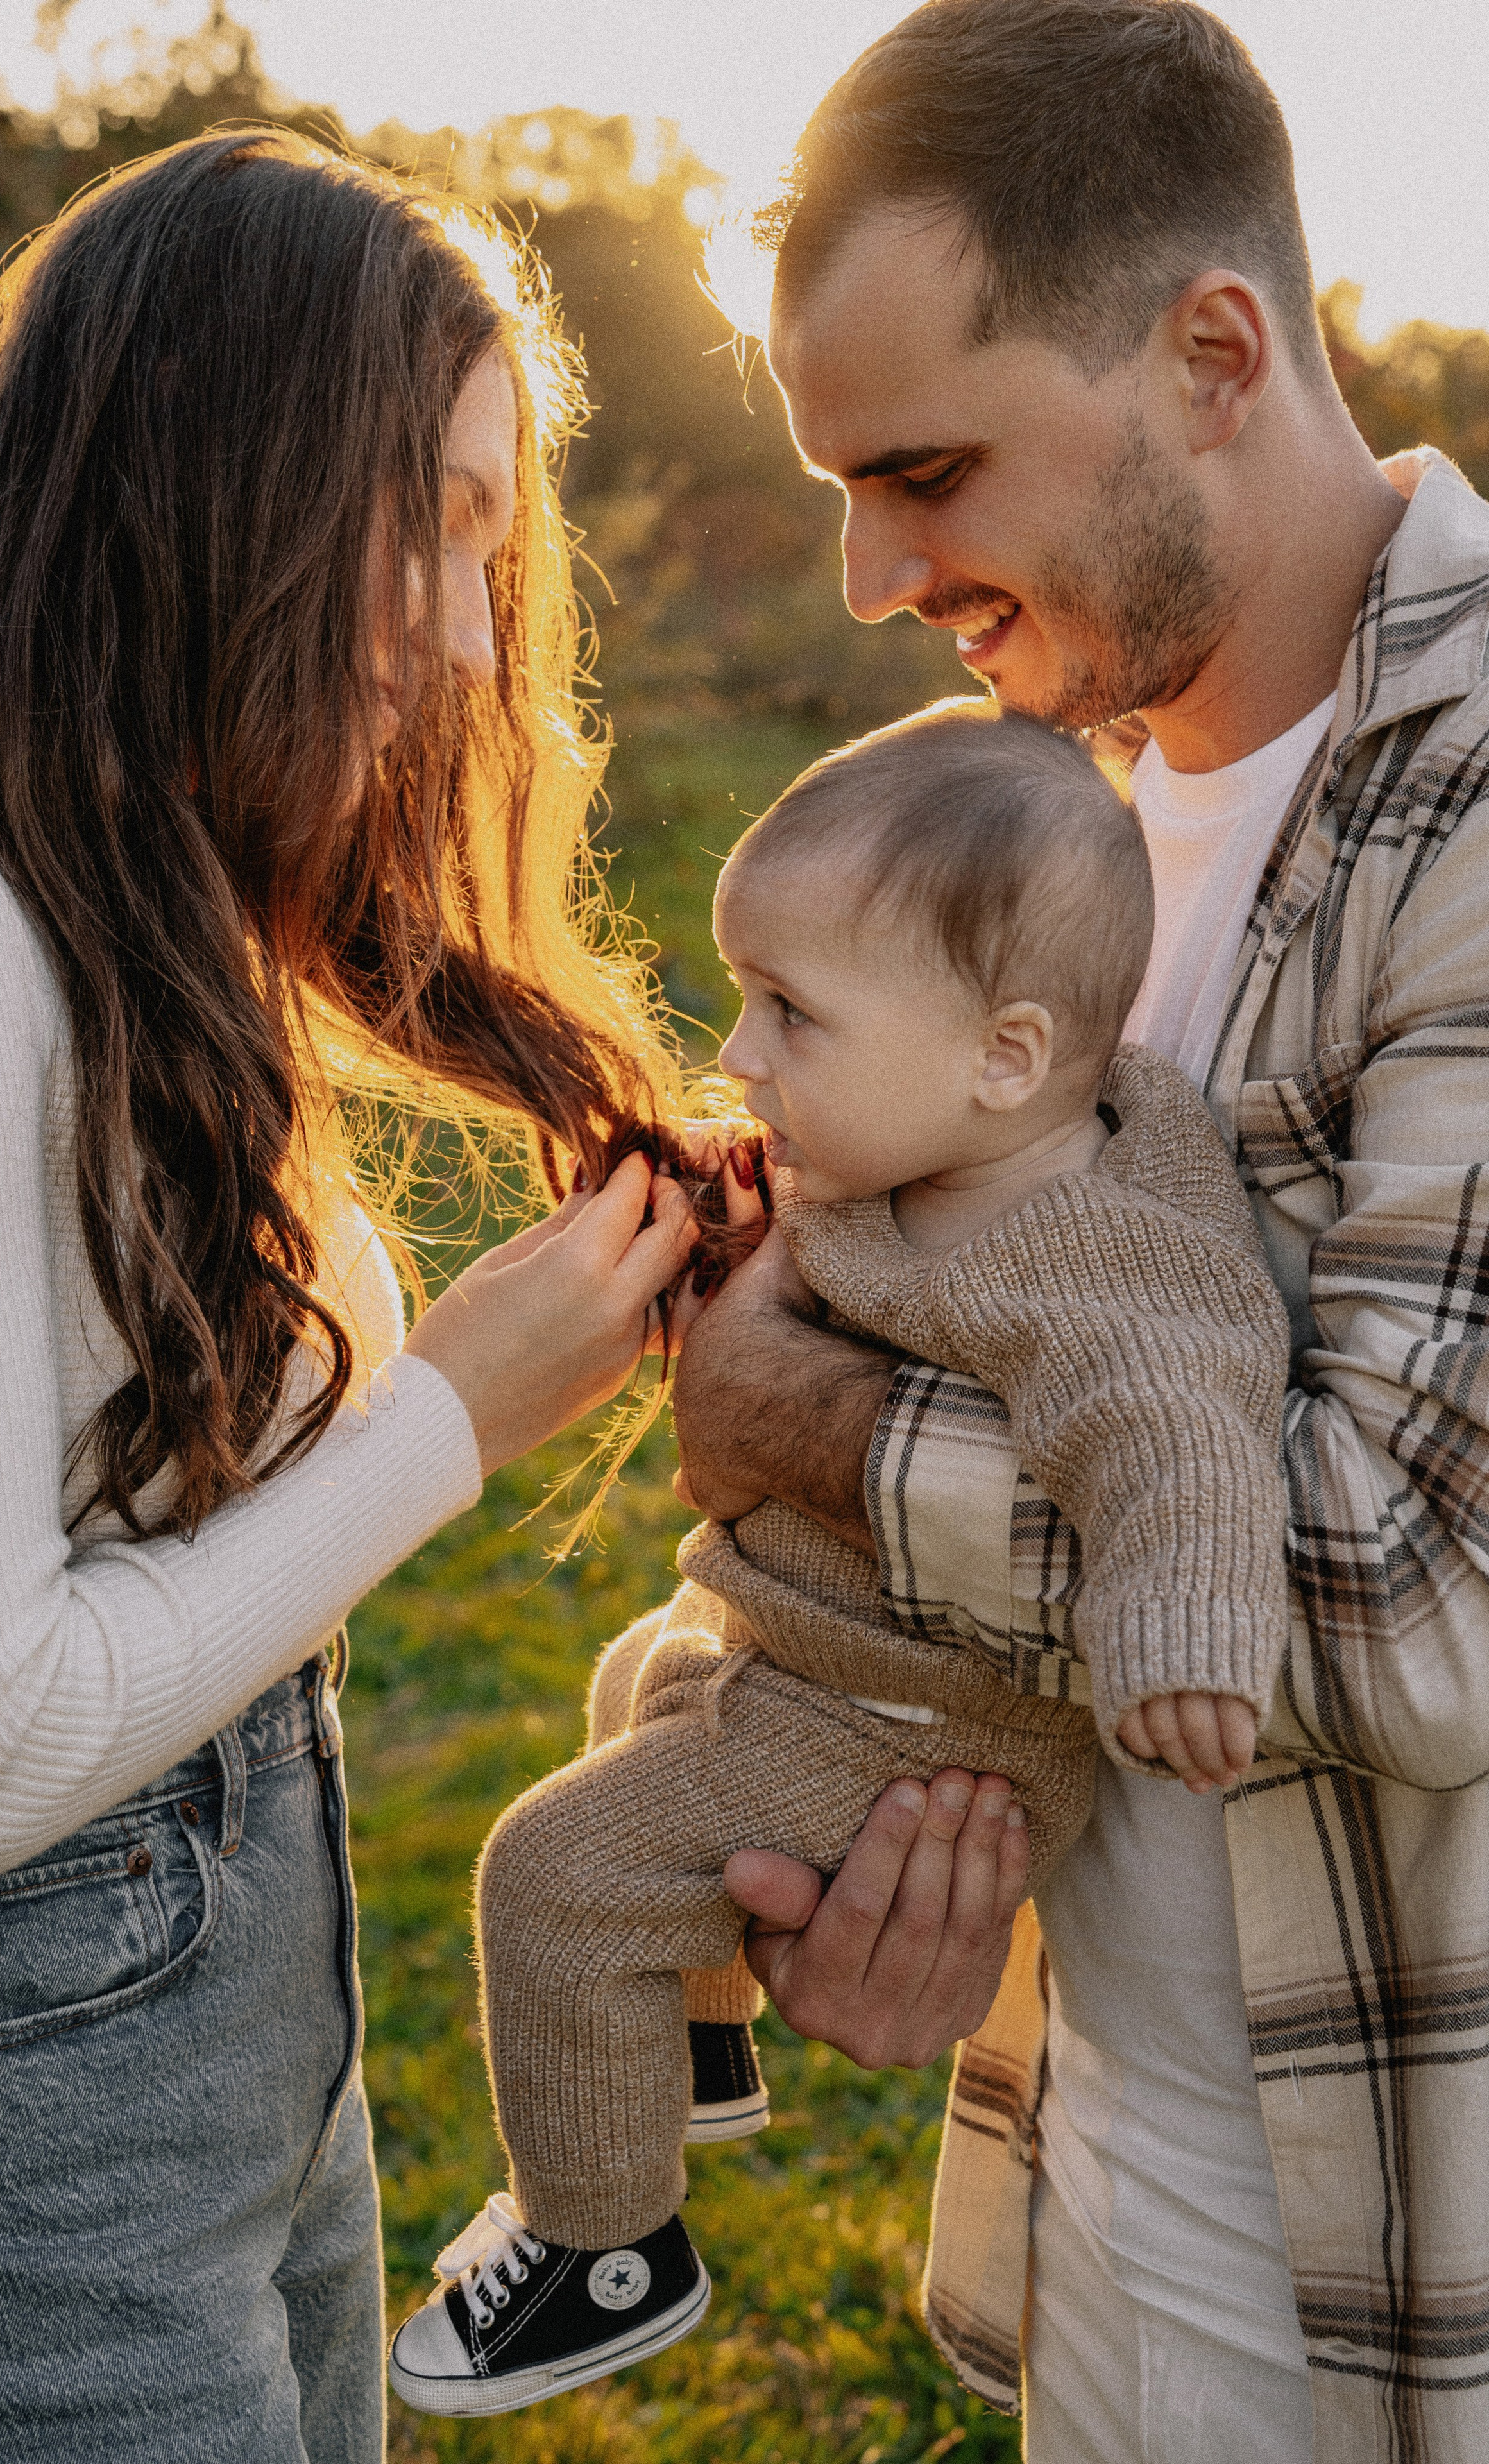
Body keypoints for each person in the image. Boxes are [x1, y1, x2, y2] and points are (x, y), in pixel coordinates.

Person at [0, 128, 722, 2463]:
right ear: (216, 475)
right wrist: (450, 1414)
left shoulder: (130, 886)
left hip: (245, 2087)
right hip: (5, 2176)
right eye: (428, 519)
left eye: (488, 542)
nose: (463, 629)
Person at [672, 3, 1489, 2456]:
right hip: (1105, 2179)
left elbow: (1426, 1597)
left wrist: (805, 1419)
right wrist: (827, 1817)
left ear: (1212, 352)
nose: (870, 573)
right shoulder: (1053, 813)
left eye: (926, 468)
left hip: (1395, 2254)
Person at [388, 697, 1297, 2419]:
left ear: (1008, 1053)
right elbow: (819, 1216)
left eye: (791, 1012)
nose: (740, 1049)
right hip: (829, 1663)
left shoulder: (1092, 1256)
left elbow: (1179, 1428)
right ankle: (699, 2030)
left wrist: (1185, 1634)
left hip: (916, 1733)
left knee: (548, 1871)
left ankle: (604, 2246)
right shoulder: (933, 1147)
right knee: (635, 1676)